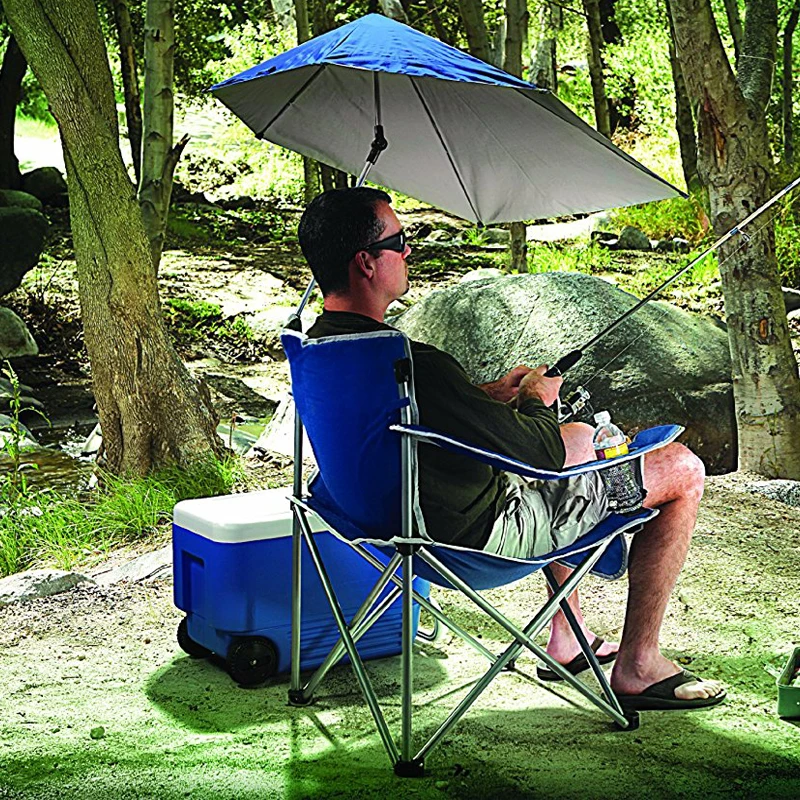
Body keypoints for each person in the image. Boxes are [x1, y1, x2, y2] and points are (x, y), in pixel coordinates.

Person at [298, 187, 726, 712]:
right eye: (399, 241)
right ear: (365, 262)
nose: (409, 252)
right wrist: (538, 400)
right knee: (679, 468)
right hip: (471, 538)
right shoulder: (410, 362)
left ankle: (567, 638)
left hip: (373, 523)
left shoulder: (322, 348)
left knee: (579, 445)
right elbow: (537, 456)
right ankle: (638, 665)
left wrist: (489, 397)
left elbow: (403, 418)